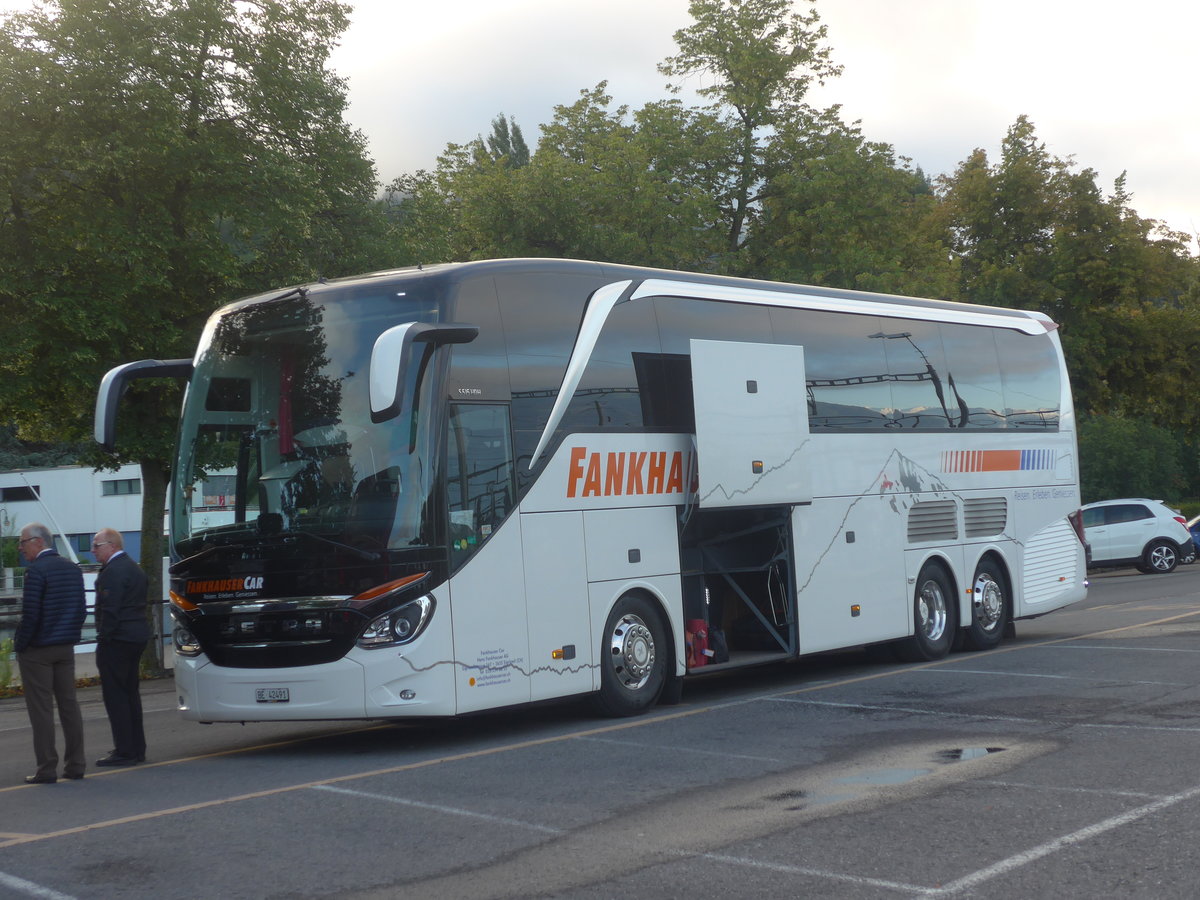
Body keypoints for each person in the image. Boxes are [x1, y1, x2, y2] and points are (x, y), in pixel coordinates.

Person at [15, 522, 87, 785]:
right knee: (69, 706)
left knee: (41, 710)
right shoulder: (72, 569)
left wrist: (21, 644)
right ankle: (76, 764)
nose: (20, 548)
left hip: (39, 649)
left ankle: (46, 768)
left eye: (23, 542)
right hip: (65, 647)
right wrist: (69, 635)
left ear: (38, 541)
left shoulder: (36, 571)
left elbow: (31, 614)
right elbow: (81, 609)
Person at [91, 528, 150, 767]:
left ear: (112, 545)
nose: (93, 550)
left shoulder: (113, 571)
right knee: (130, 693)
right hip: (136, 635)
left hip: (118, 639)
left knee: (115, 696)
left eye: (97, 545)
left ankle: (125, 751)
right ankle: (136, 747)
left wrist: (103, 638)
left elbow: (110, 610)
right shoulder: (135, 568)